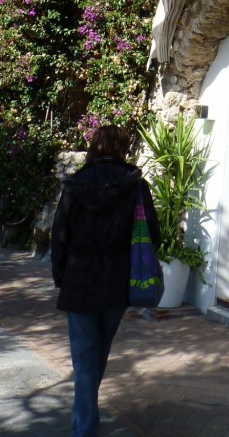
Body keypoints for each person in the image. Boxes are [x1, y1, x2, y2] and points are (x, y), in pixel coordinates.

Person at [51, 124, 160, 437]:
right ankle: (85, 422)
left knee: (86, 356)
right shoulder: (136, 186)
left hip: (79, 280)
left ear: (94, 147)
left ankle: (84, 427)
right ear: (123, 148)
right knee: (97, 355)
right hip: (117, 281)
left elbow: (60, 236)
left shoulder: (75, 186)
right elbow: (153, 234)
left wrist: (61, 277)